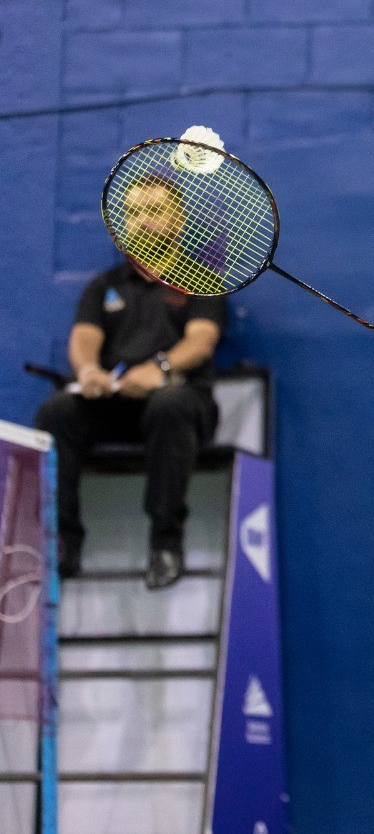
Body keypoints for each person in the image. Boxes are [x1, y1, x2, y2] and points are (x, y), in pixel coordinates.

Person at [36, 175, 227, 589]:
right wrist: (89, 373)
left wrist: (159, 370)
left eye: (154, 210)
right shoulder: (103, 286)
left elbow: (201, 342)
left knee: (170, 404)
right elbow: (84, 341)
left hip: (181, 405)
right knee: (57, 412)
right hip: (117, 407)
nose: (142, 221)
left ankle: (164, 541)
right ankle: (61, 543)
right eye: (133, 213)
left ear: (177, 219)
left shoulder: (201, 280)